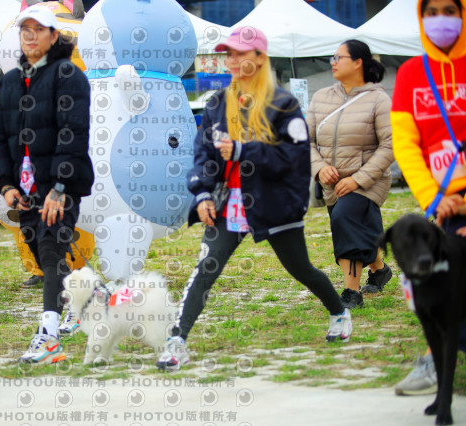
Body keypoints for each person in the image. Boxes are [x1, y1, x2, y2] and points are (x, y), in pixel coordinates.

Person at [156, 26, 352, 372]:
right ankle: (177, 341)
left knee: (301, 269)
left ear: (260, 58)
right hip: (227, 203)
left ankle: (339, 312)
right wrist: (202, 192)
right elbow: (203, 154)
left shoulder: (283, 104)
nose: (232, 60)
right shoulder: (218, 103)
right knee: (205, 270)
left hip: (273, 203)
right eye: (228, 54)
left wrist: (244, 151)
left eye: (240, 53)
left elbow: (293, 159)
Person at [0, 5, 93, 363]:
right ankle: (86, 296)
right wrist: (6, 184)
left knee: (50, 249)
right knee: (41, 251)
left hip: (61, 184)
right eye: (25, 29)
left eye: (38, 29)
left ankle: (48, 336)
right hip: (24, 188)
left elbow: (73, 133)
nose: (30, 35)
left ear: (53, 35)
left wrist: (60, 188)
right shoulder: (10, 82)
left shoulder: (69, 76)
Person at [391, 0, 466, 396]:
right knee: (443, 285)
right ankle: (436, 363)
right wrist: (433, 198)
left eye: (449, 10)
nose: (440, 19)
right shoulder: (410, 73)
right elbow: (406, 144)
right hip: (444, 204)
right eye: (431, 11)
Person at [307, 39, 395, 310]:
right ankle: (379, 269)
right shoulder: (321, 97)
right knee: (356, 228)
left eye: (339, 57)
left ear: (358, 63)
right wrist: (319, 168)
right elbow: (305, 141)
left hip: (368, 181)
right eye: (332, 58)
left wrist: (358, 179)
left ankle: (351, 292)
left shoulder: (378, 99)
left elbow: (391, 144)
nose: (333, 62)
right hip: (332, 183)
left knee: (345, 218)